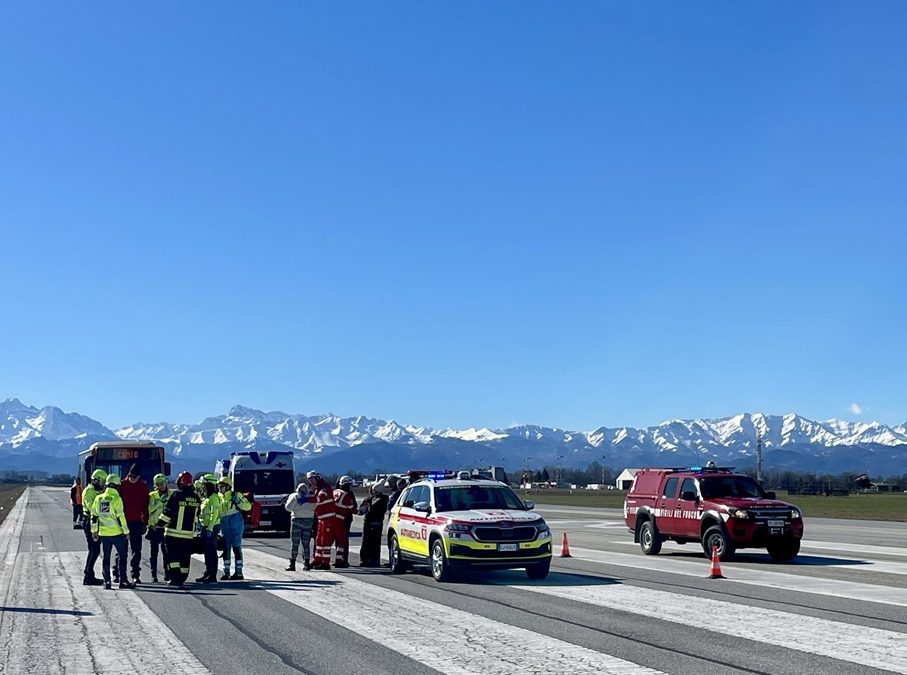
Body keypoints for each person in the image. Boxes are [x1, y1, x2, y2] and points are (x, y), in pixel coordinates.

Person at [91, 473, 134, 590]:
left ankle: (107, 582)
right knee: (122, 556)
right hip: (117, 534)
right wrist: (126, 532)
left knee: (106, 558)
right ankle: (123, 581)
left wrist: (94, 531)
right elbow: (121, 517)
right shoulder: (116, 498)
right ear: (116, 485)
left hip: (104, 534)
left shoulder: (98, 498)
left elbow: (94, 516)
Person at [159, 471, 200, 587]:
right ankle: (182, 578)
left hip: (172, 534)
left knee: (172, 557)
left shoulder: (176, 496)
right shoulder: (196, 498)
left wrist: (158, 525)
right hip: (188, 535)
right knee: (184, 558)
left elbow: (167, 513)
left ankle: (174, 578)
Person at [116, 463, 149, 584]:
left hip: (136, 522)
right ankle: (118, 573)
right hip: (122, 522)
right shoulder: (121, 485)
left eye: (135, 477)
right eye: (131, 476)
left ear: (139, 476)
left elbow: (146, 506)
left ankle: (135, 574)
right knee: (121, 549)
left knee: (137, 550)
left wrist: (145, 522)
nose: (132, 478)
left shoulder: (143, 487)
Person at [217, 475, 251, 580]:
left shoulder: (236, 495)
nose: (219, 488)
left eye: (222, 486)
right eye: (219, 486)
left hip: (235, 521)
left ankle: (239, 572)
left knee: (236, 546)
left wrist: (239, 502)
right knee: (225, 547)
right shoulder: (218, 497)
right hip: (224, 523)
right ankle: (226, 572)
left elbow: (248, 506)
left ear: (227, 487)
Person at [81, 469, 106, 585]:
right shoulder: (88, 491)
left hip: (98, 522)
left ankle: (89, 574)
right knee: (94, 549)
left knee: (94, 550)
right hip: (90, 521)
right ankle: (88, 575)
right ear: (96, 480)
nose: (104, 485)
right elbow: (92, 508)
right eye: (102, 482)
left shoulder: (100, 491)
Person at [308, 471, 336, 571]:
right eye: (310, 480)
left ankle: (325, 562)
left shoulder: (325, 488)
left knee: (325, 541)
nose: (311, 482)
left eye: (312, 479)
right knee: (319, 540)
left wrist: (307, 499)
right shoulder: (318, 489)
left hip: (328, 518)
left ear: (317, 478)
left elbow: (319, 499)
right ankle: (318, 559)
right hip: (321, 518)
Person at [196, 475, 222, 583]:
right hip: (204, 527)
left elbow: (214, 513)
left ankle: (212, 575)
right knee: (207, 551)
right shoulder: (206, 498)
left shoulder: (214, 498)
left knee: (211, 551)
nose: (203, 487)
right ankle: (207, 572)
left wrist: (210, 528)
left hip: (211, 527)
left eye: (204, 485)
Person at [283, 481, 315, 571]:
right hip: (309, 521)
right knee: (306, 543)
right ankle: (307, 563)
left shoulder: (295, 496)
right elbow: (316, 507)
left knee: (295, 543)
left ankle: (292, 564)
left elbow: (288, 508)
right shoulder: (312, 498)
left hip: (296, 519)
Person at [146, 473, 171, 583]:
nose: (161, 486)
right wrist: (160, 503)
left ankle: (167, 574)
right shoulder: (152, 496)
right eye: (158, 484)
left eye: (162, 484)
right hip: (155, 527)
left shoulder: (172, 495)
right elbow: (149, 510)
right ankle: (153, 574)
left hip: (166, 528)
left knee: (166, 552)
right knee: (154, 553)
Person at [358, 481, 388, 567]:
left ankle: (373, 559)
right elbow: (361, 510)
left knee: (374, 543)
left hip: (375, 523)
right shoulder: (369, 499)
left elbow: (372, 510)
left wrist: (367, 507)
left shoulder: (382, 500)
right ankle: (365, 559)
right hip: (369, 523)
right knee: (366, 542)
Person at [332, 476, 357, 568]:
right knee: (343, 540)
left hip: (335, 519)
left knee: (337, 540)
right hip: (344, 520)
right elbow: (353, 507)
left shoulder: (335, 493)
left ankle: (339, 558)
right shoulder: (347, 494)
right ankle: (343, 559)